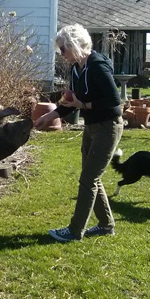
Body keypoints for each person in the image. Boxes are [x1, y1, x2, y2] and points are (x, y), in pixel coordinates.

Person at [35, 24, 124, 242]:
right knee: (92, 177)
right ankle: (106, 225)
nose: (61, 54)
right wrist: (47, 117)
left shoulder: (96, 65)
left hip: (108, 126)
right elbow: (72, 102)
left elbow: (114, 102)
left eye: (62, 49)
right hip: (92, 127)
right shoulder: (76, 68)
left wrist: (83, 105)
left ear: (74, 44)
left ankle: (75, 231)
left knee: (88, 179)